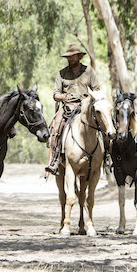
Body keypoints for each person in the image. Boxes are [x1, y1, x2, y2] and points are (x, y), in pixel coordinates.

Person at [44, 43, 101, 176]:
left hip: (86, 106)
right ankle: (54, 160)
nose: (70, 59)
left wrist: (90, 99)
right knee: (55, 127)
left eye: (73, 56)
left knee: (104, 123)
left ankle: (107, 156)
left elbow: (97, 90)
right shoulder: (62, 74)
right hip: (68, 107)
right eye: (68, 57)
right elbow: (55, 94)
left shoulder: (89, 72)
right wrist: (63, 96)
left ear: (79, 56)